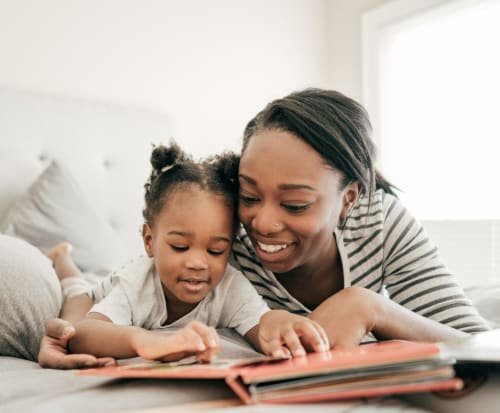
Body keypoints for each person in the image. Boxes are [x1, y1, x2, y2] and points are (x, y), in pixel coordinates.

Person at [39, 88, 488, 369]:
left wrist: (372, 307)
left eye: (295, 203)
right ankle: (64, 261)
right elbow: (132, 301)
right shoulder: (219, 239)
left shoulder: (382, 221)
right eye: (249, 196)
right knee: (82, 283)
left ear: (350, 197)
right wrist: (70, 330)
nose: (262, 223)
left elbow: (479, 345)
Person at [39, 142, 327, 367]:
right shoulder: (136, 284)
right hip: (98, 293)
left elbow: (260, 322)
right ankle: (62, 258)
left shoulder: (230, 286)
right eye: (180, 247)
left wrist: (282, 323)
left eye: (216, 250)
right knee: (75, 301)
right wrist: (144, 341)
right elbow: (86, 334)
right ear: (150, 241)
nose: (197, 263)